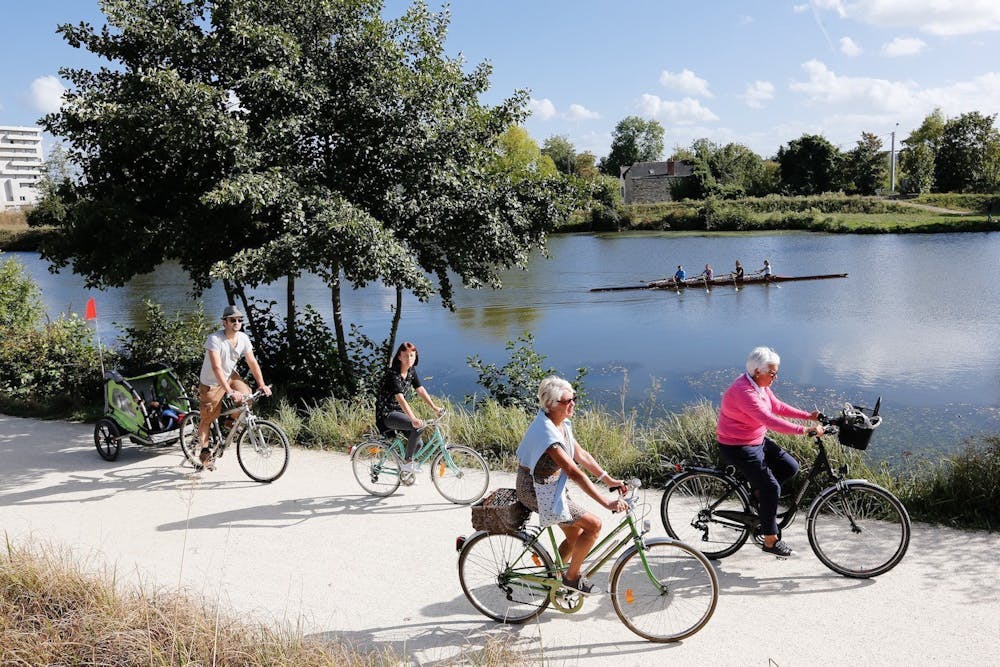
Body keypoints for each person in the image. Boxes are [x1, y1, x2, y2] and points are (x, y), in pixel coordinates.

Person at [516, 376, 627, 595]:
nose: (573, 404)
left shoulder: (560, 424)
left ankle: (554, 576)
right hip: (536, 490)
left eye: (574, 398)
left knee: (575, 536)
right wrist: (606, 502)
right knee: (593, 526)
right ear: (550, 404)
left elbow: (581, 454)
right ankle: (572, 578)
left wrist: (609, 479)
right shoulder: (546, 433)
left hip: (551, 485)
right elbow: (574, 472)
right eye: (567, 401)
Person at [716, 347, 823, 558]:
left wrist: (808, 416)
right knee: (771, 487)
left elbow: (777, 406)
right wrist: (804, 430)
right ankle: (770, 540)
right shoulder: (744, 392)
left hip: (756, 440)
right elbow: (769, 420)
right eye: (772, 373)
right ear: (758, 371)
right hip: (737, 446)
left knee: (790, 467)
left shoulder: (759, 386)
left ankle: (759, 496)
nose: (775, 378)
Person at [196, 305, 271, 470]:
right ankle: (204, 452)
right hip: (211, 382)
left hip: (230, 375)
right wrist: (229, 392)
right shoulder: (215, 339)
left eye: (239, 320)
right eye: (232, 320)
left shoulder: (243, 338)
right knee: (207, 418)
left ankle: (230, 421)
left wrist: (262, 384)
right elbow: (216, 368)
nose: (236, 322)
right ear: (224, 322)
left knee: (247, 396)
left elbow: (252, 362)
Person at [375, 342, 445, 478]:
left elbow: (420, 389)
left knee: (418, 443)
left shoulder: (411, 371)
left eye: (412, 355)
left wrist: (435, 407)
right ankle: (407, 463)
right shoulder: (393, 374)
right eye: (406, 356)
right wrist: (413, 419)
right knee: (418, 427)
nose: (409, 359)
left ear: (415, 356)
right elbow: (401, 399)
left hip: (398, 412)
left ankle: (405, 470)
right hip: (387, 414)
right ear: (399, 357)